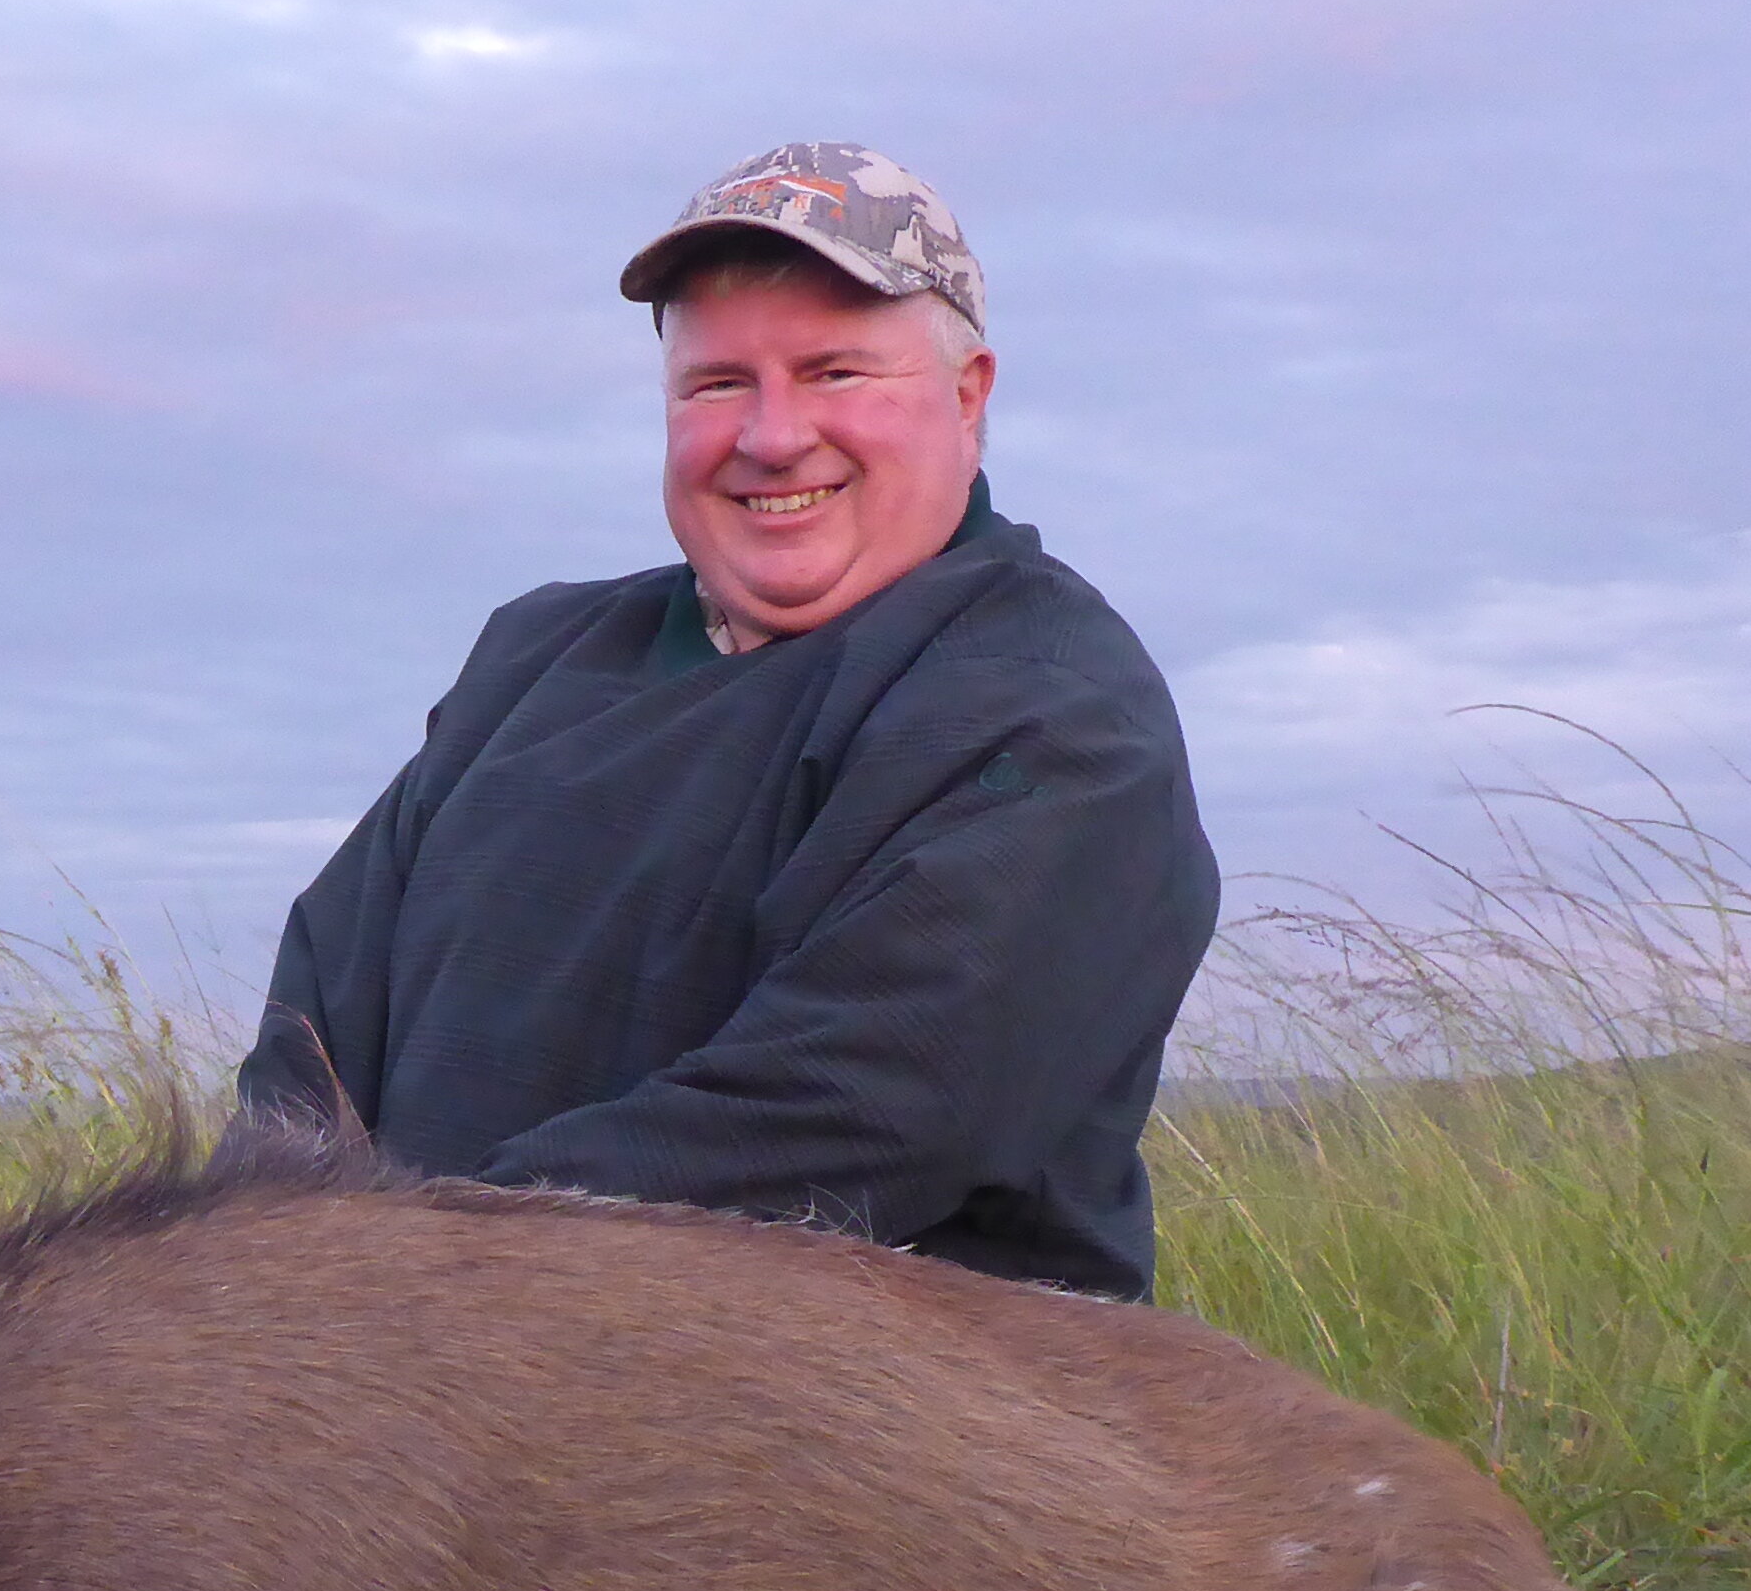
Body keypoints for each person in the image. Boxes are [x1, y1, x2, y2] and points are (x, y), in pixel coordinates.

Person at [236, 142, 1217, 1301]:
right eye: (717, 386)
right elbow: (313, 1033)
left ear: (967, 396)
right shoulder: (532, 658)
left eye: (836, 373)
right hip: (403, 1388)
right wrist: (267, 1286)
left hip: (855, 1437)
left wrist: (406, 1283)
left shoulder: (1047, 704)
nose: (771, 436)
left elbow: (857, 1114)